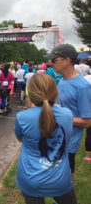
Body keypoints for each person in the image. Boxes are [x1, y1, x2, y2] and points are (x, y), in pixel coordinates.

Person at [15, 74, 76, 204]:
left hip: (31, 178)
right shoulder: (67, 115)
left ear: (30, 94)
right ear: (55, 92)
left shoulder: (22, 117)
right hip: (61, 178)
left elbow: (21, 140)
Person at [44, 44, 91, 181]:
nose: (50, 63)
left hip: (68, 144)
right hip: (57, 140)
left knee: (67, 182)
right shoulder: (63, 81)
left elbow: (88, 122)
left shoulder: (82, 87)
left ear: (67, 60)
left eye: (54, 60)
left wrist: (57, 116)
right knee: (58, 180)